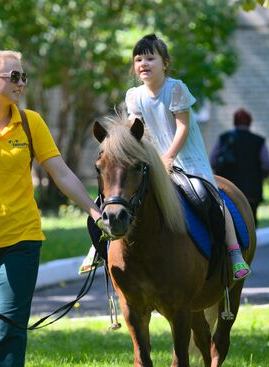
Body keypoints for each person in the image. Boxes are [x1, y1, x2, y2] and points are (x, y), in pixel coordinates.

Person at [0, 48, 103, 367]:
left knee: (11, 328)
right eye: (14, 76)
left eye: (23, 76)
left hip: (22, 238)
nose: (21, 83)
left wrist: (94, 212)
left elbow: (62, 172)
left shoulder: (31, 122)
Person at [81, 34, 251, 280]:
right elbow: (133, 130)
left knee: (209, 198)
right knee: (112, 198)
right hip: (154, 161)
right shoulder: (134, 95)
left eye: (150, 58)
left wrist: (169, 156)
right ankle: (99, 247)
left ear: (165, 63)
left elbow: (182, 128)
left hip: (187, 159)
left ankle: (233, 253)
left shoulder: (176, 89)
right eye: (138, 59)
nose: (143, 63)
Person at [210, 108, 269, 226]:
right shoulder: (258, 141)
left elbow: (213, 161)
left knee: (229, 221)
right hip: (251, 191)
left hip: (227, 190)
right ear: (250, 123)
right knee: (250, 222)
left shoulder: (224, 138)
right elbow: (266, 165)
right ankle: (249, 243)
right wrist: (260, 175)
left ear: (234, 122)